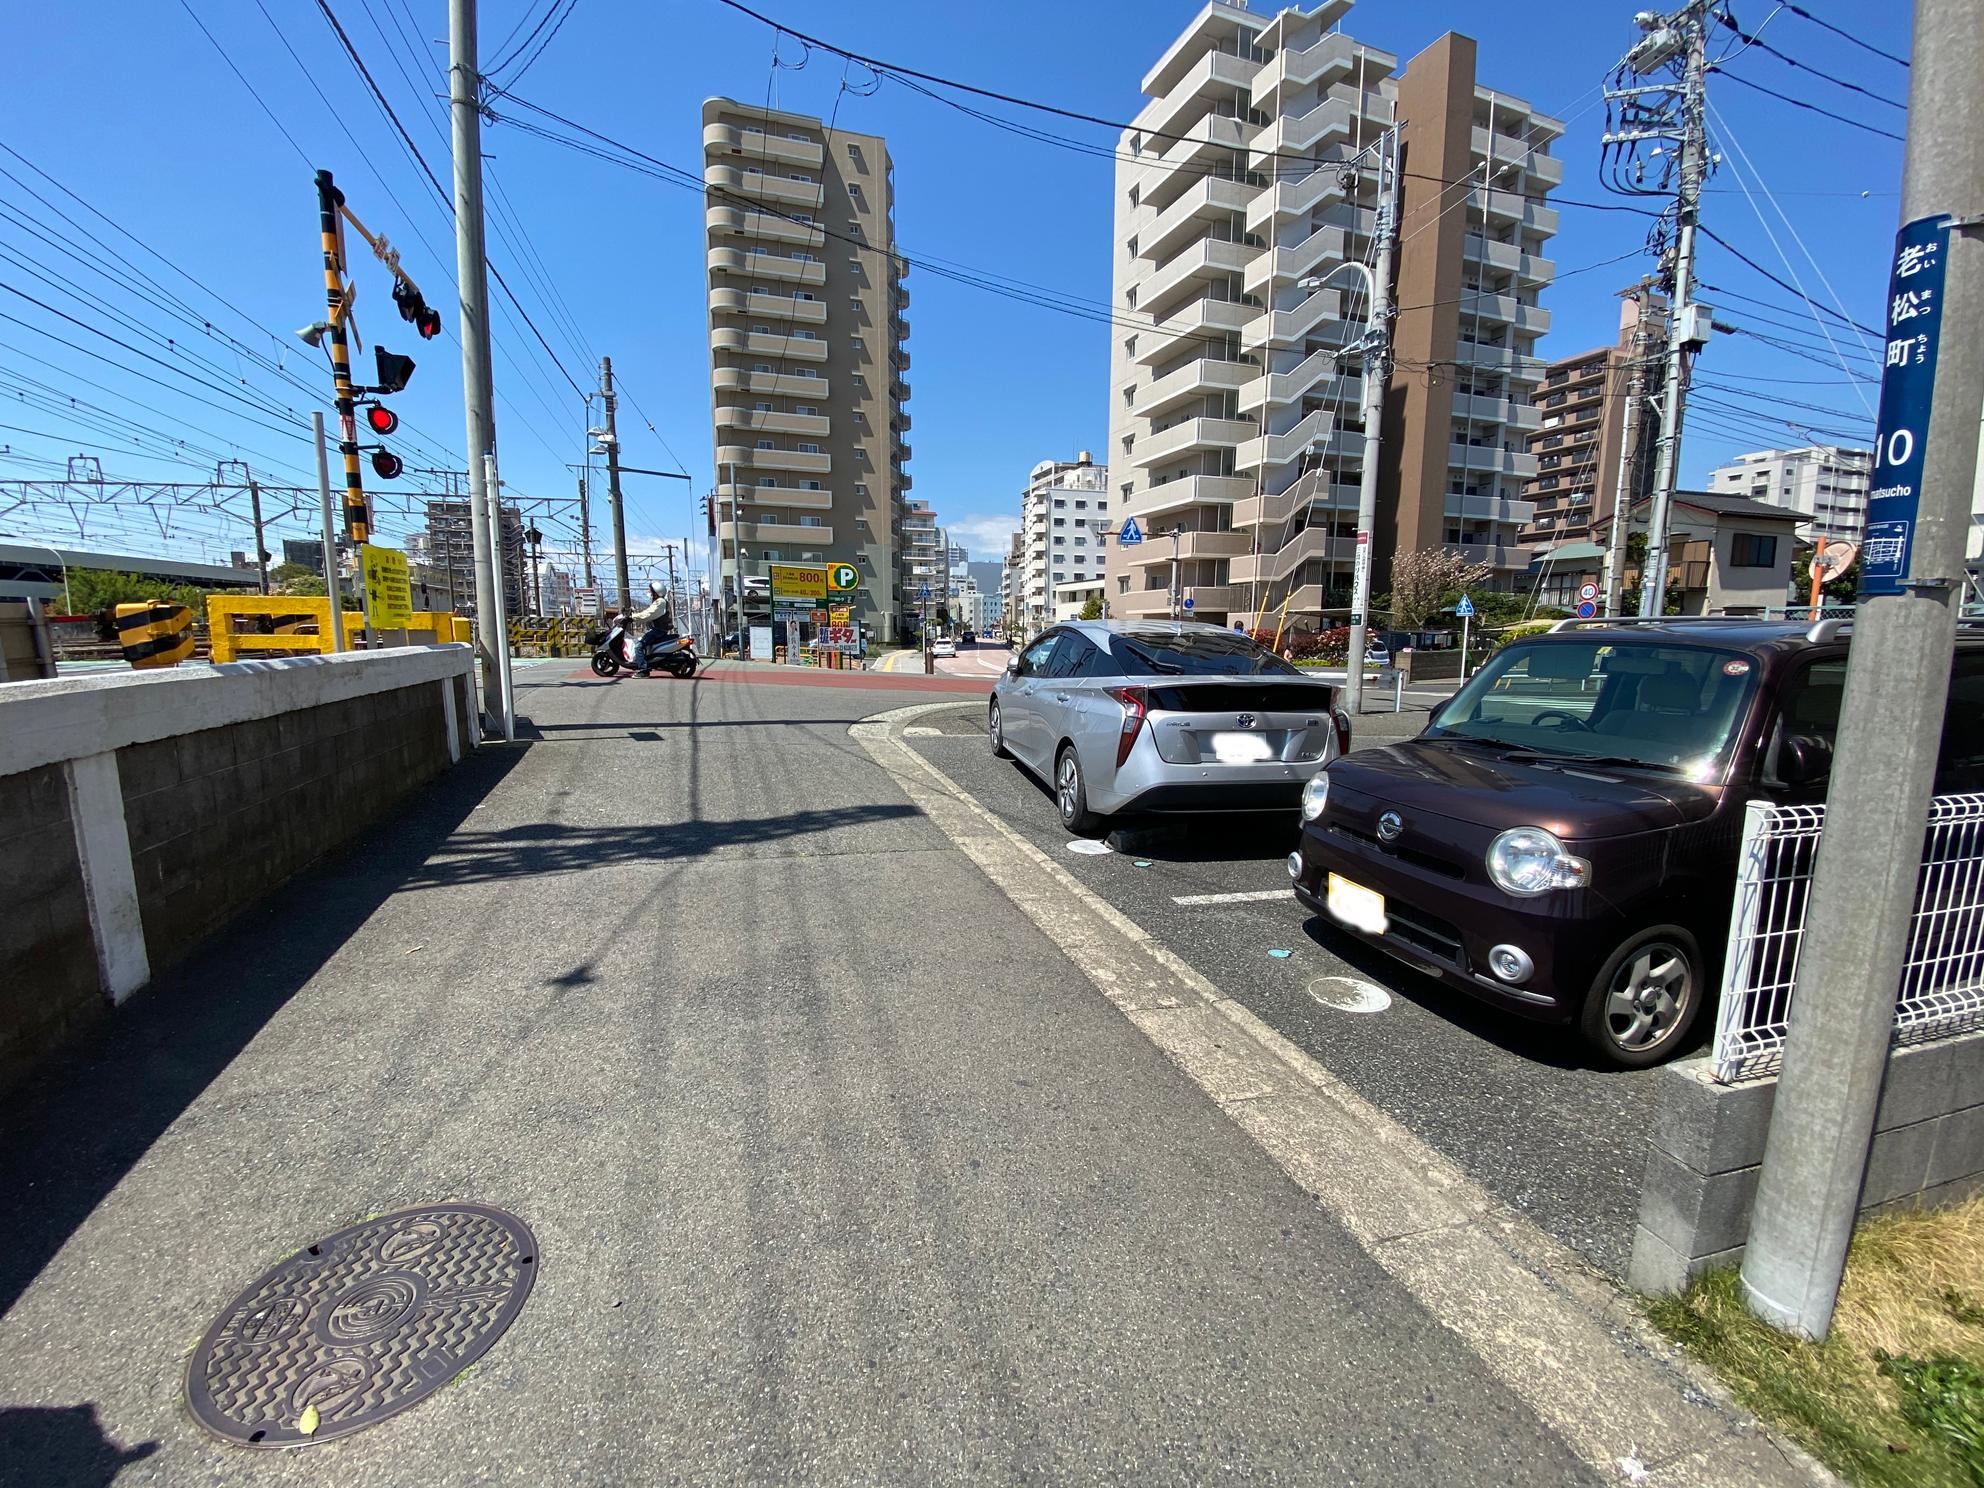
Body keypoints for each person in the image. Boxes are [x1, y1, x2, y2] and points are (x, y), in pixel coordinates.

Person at [628, 582, 676, 676]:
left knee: (638, 646)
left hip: (658, 630)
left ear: (656, 592)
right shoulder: (660, 601)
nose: (649, 592)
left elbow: (648, 614)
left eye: (651, 591)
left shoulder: (660, 602)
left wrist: (632, 617)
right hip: (659, 629)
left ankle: (643, 670)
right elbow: (648, 612)